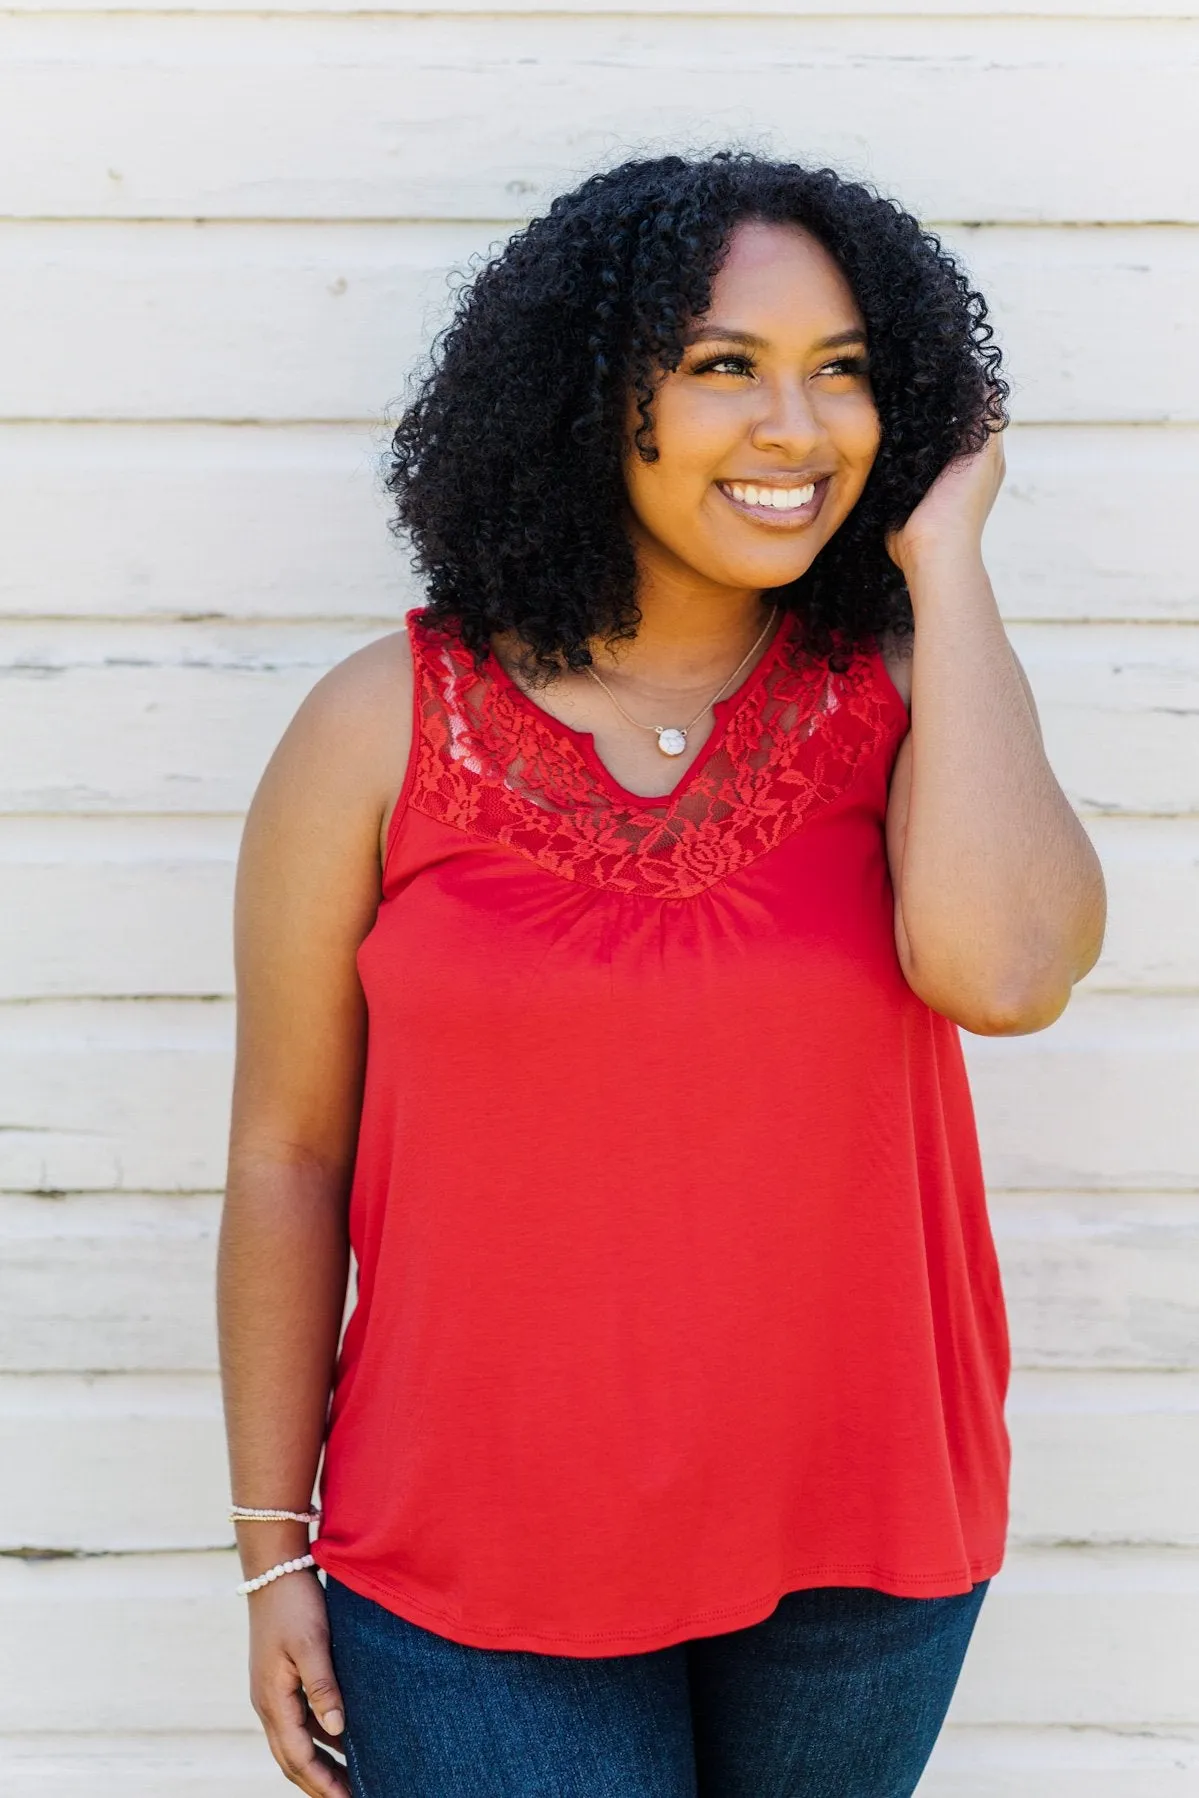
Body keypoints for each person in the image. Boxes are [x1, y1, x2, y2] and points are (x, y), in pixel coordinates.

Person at [217, 151, 1106, 1797]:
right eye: (723, 367)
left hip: (860, 1546)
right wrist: (273, 1553)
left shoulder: (915, 698)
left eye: (842, 372)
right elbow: (289, 1155)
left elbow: (1004, 971)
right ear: (587, 395)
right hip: (471, 1564)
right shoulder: (374, 727)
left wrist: (948, 564)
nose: (796, 425)